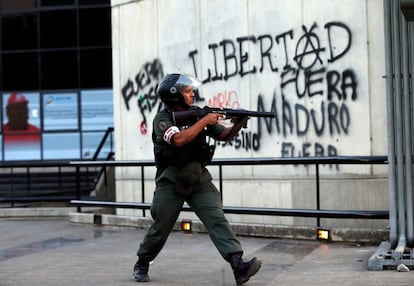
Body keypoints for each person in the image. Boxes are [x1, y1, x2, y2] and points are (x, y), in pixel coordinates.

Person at [133, 73, 262, 285]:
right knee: (161, 227)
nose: (192, 94)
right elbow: (179, 139)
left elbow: (224, 135)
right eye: (187, 91)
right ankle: (143, 262)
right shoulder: (162, 119)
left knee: (216, 218)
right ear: (175, 95)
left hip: (197, 176)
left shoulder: (198, 115)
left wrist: (239, 123)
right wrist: (204, 120)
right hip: (171, 179)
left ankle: (238, 265)